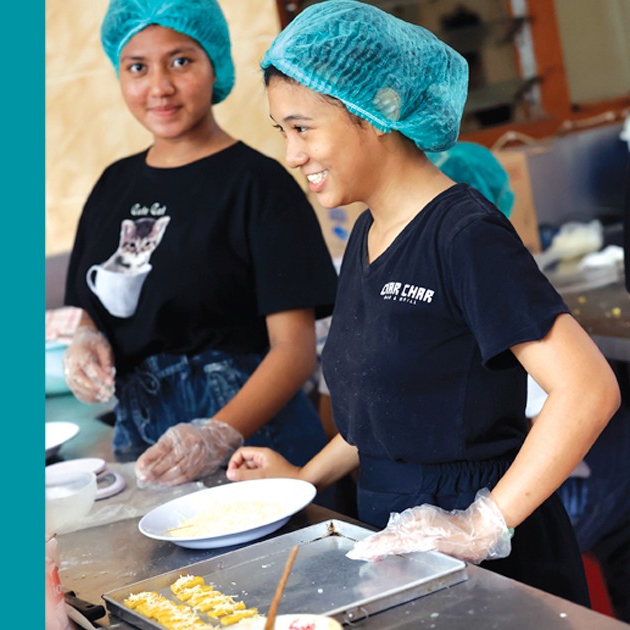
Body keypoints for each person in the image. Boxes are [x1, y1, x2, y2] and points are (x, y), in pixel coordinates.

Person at [226, 0, 619, 605]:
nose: (292, 154)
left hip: (492, 568)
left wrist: (481, 524)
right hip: (396, 549)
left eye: (303, 128)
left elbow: (588, 388)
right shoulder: (366, 234)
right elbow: (389, 416)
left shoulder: (465, 235)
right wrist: (304, 479)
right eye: (283, 131)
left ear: (377, 110)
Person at [62, 0, 337, 487]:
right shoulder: (113, 186)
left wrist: (218, 431)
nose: (159, 87)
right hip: (146, 446)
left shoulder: (259, 184)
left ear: (216, 65)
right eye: (137, 67)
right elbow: (87, 309)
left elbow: (294, 352)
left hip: (257, 450)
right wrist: (85, 341)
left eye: (181, 61)